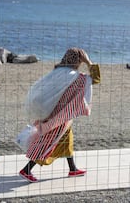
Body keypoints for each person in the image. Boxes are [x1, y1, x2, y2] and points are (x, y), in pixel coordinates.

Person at [19, 48, 101, 183]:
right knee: (47, 143)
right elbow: (95, 79)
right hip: (60, 117)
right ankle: (26, 170)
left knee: (67, 139)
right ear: (79, 61)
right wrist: (89, 62)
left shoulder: (56, 72)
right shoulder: (76, 77)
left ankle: (73, 168)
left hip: (49, 112)